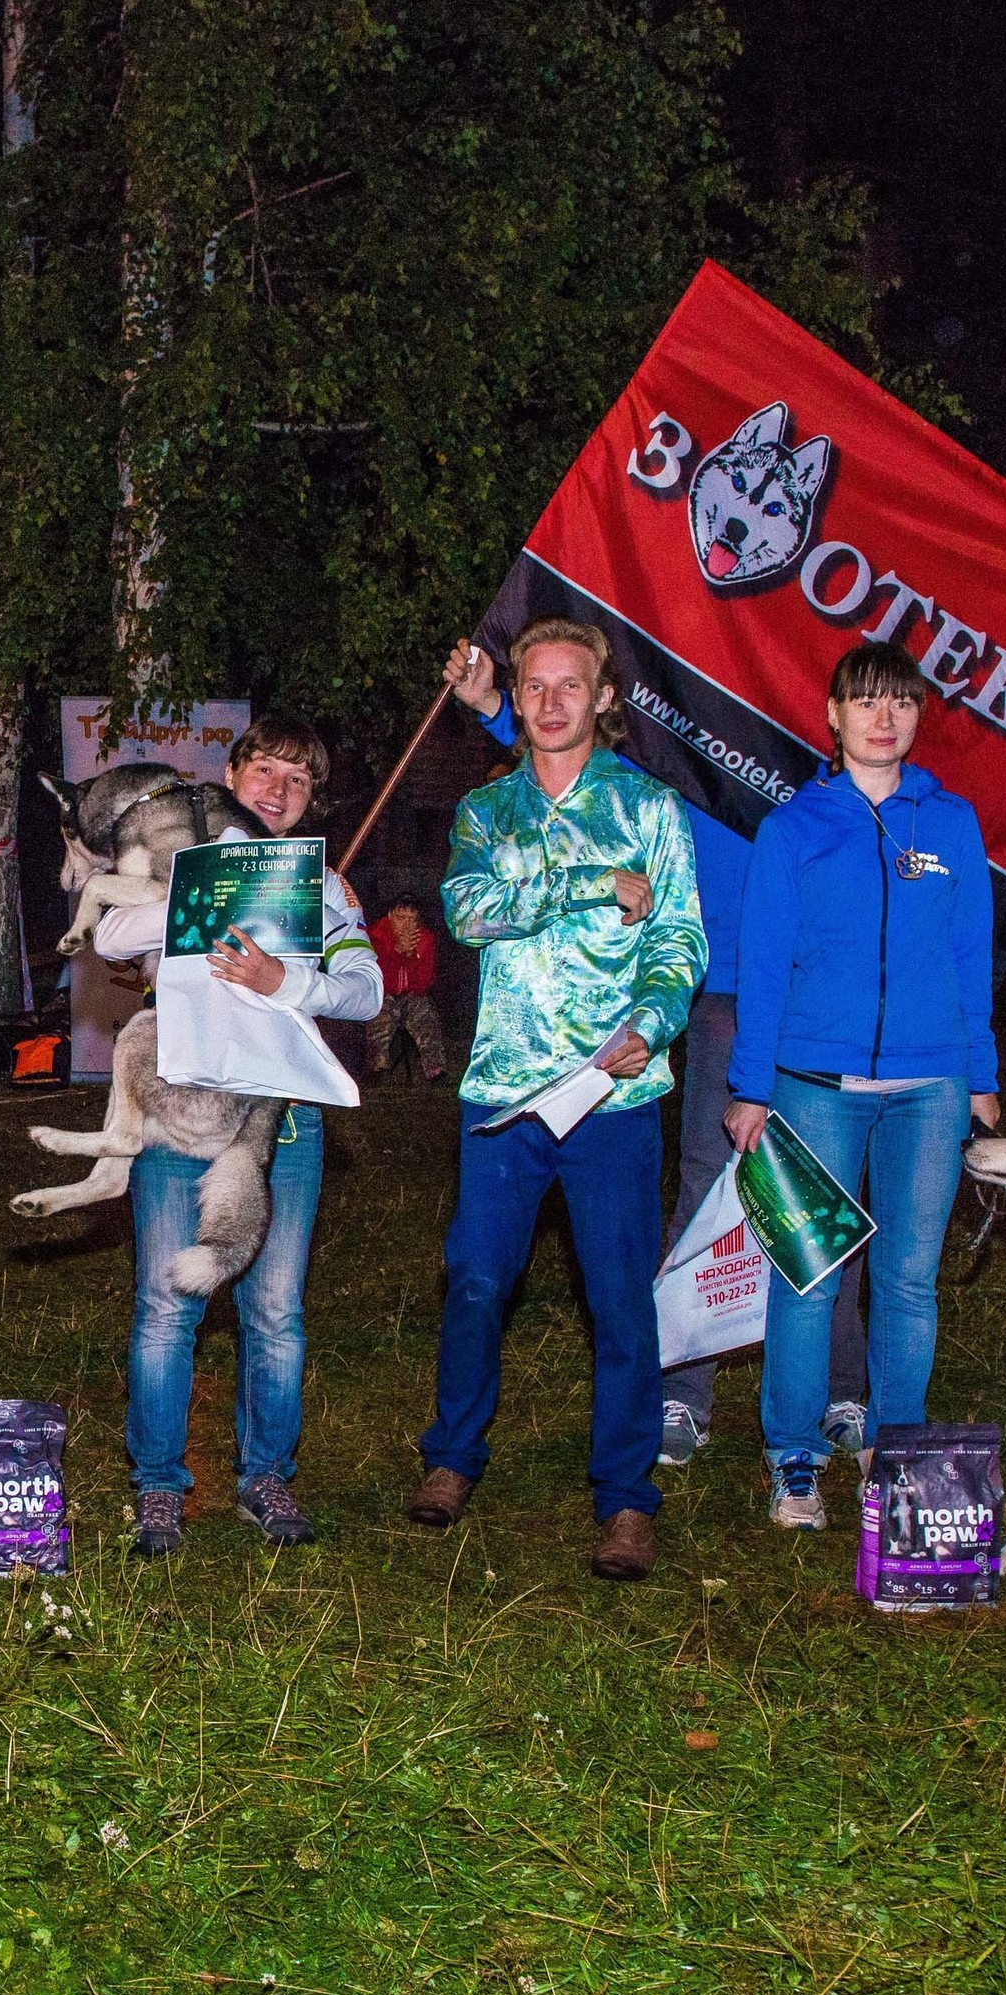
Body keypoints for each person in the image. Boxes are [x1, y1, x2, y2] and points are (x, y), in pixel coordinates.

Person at [444, 645, 871, 1467]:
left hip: (818, 1003)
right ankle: (683, 1392)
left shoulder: (822, 779)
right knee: (706, 1185)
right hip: (714, 996)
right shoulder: (670, 755)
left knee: (823, 1193)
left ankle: (842, 1387)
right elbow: (558, 755)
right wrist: (497, 704)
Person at [407, 619, 706, 1582]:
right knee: (478, 1280)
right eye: (533, 687)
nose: (548, 703)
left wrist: (652, 1026)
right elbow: (467, 909)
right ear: (517, 697)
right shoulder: (486, 811)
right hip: (505, 1090)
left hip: (612, 1098)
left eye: (569, 686)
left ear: (604, 700)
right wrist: (587, 882)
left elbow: (681, 946)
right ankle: (452, 1458)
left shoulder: (652, 809)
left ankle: (625, 1498)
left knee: (621, 1300)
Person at [85, 719, 384, 1555]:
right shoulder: (177, 863)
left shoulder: (323, 889)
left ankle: (265, 1479)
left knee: (276, 1311)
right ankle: (157, 1488)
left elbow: (365, 992)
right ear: (230, 773)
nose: (278, 790)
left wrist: (282, 978)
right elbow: (110, 936)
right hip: (182, 1114)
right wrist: (204, 897)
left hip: (282, 1121)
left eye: (298, 780)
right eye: (265, 771)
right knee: (163, 1308)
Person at [723, 641, 1000, 1530]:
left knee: (910, 1279)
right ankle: (794, 1459)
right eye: (867, 702)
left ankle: (898, 1451)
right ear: (833, 716)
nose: (886, 718)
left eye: (903, 703)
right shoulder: (793, 829)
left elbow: (970, 956)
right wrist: (749, 1084)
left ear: (920, 717)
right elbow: (760, 966)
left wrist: (982, 1074)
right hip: (814, 1084)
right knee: (808, 1277)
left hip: (932, 1086)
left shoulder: (952, 824)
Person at [365, 898, 447, 1082]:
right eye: (401, 918)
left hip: (411, 995)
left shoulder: (425, 939)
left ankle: (435, 1069)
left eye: (412, 920)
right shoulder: (375, 935)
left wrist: (412, 956)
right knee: (380, 1014)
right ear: (390, 916)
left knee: (425, 1013)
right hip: (383, 992)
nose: (406, 925)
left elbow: (424, 983)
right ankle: (377, 1069)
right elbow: (377, 976)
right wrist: (397, 952)